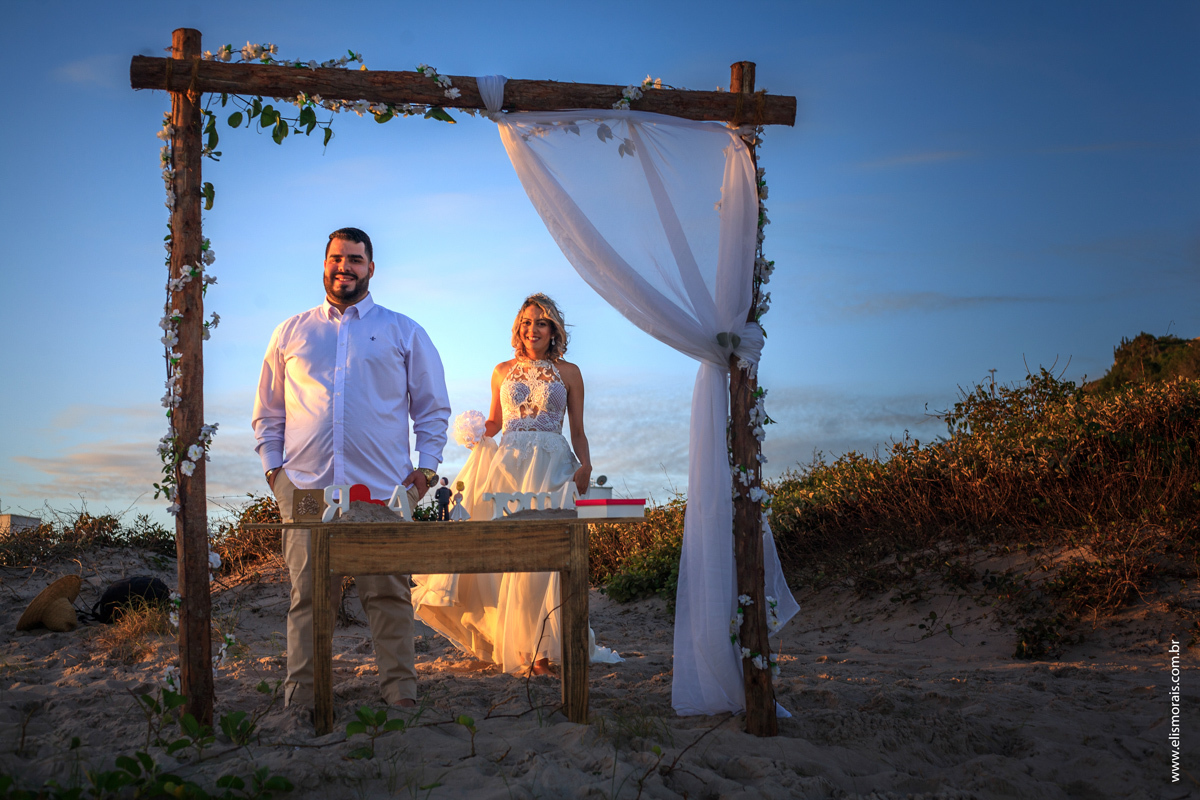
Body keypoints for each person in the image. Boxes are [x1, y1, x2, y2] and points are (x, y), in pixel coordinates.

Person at [252, 227, 450, 711]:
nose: (345, 267)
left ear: (371, 268)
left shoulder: (405, 331)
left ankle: (400, 693)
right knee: (307, 599)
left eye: (355, 260)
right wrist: (274, 474)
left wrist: (425, 471)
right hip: (305, 490)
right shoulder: (291, 332)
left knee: (388, 597)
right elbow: (269, 412)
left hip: (382, 492)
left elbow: (431, 408)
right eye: (337, 258)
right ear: (324, 264)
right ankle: (302, 696)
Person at [413, 293, 619, 676]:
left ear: (553, 329)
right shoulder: (501, 370)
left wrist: (587, 463)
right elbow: (495, 422)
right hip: (506, 466)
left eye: (541, 322)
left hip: (551, 466)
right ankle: (521, 647)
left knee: (545, 560)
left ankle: (542, 651)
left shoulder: (569, 373)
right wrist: (475, 431)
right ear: (518, 329)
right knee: (505, 558)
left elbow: (578, 430)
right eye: (526, 322)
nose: (533, 329)